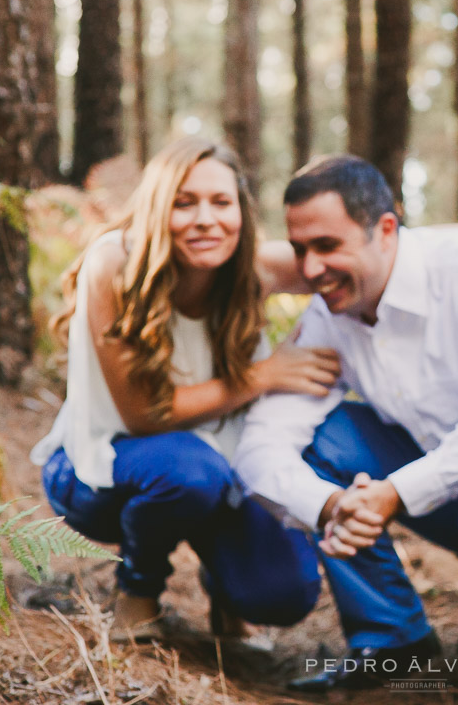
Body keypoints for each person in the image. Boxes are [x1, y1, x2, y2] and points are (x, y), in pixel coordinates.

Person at [234, 155, 458, 699]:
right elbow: (261, 443)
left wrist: (394, 492)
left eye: (328, 246)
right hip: (437, 477)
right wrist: (332, 505)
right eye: (300, 250)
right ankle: (393, 644)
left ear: (385, 230)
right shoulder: (329, 313)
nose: (310, 269)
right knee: (325, 437)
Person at [30, 137, 340, 642]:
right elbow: (143, 415)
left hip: (218, 469)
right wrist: (261, 376)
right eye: (184, 202)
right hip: (99, 469)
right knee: (189, 473)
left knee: (283, 592)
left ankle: (223, 585)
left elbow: (361, 246)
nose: (205, 219)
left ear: (241, 209)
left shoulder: (250, 269)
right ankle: (139, 589)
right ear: (156, 207)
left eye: (221, 202)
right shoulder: (114, 264)